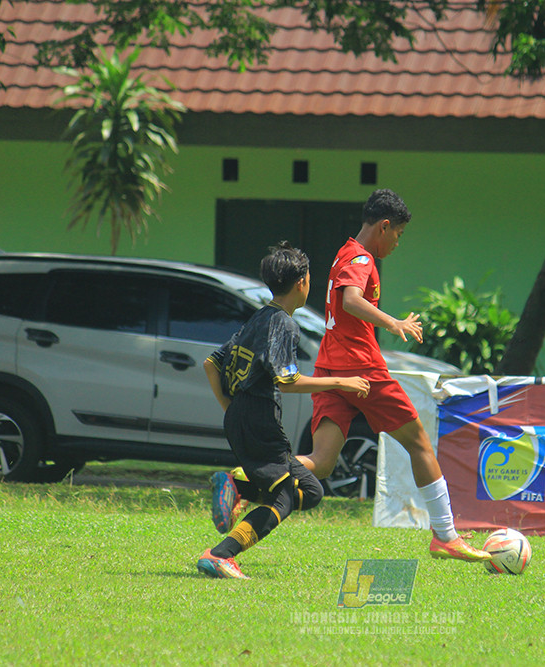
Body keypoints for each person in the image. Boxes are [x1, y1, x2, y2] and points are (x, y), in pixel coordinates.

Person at [307, 188, 489, 562]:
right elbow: (351, 300)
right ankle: (446, 536)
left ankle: (244, 481)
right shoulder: (362, 258)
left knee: (321, 462)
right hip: (362, 369)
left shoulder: (344, 252)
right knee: (419, 443)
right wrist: (393, 323)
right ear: (385, 226)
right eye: (399, 234)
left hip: (330, 366)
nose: (397, 243)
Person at [198, 241, 370, 579]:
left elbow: (211, 363)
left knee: (312, 491)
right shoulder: (283, 324)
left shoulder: (258, 318)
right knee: (284, 499)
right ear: (302, 282)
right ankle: (220, 554)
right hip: (260, 421)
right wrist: (341, 382)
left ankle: (237, 488)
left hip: (241, 417)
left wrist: (231, 409)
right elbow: (287, 381)